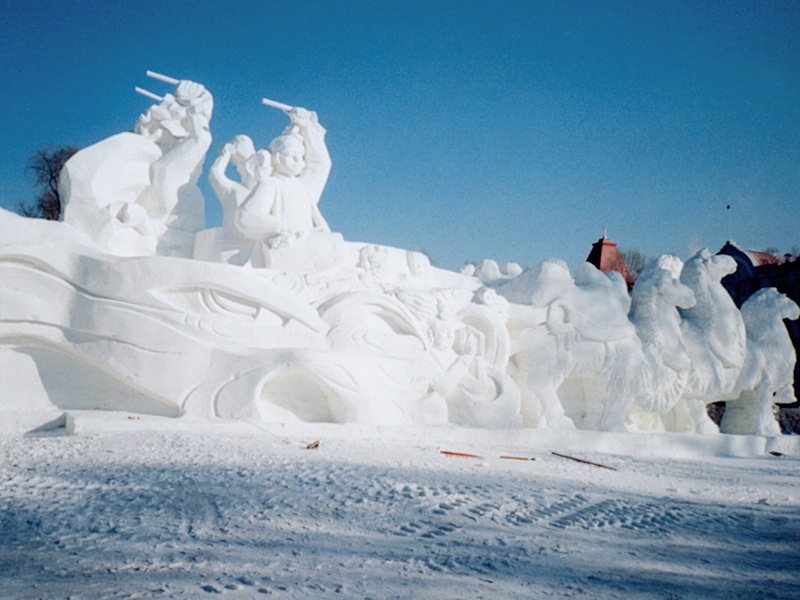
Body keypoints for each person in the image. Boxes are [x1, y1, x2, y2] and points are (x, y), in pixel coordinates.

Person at [235, 106, 331, 249]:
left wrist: (306, 127)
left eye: (301, 157)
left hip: (308, 248)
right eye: (292, 156)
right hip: (284, 248)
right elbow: (247, 215)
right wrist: (283, 228)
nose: (299, 162)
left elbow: (321, 163)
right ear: (278, 158)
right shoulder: (271, 184)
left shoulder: (304, 186)